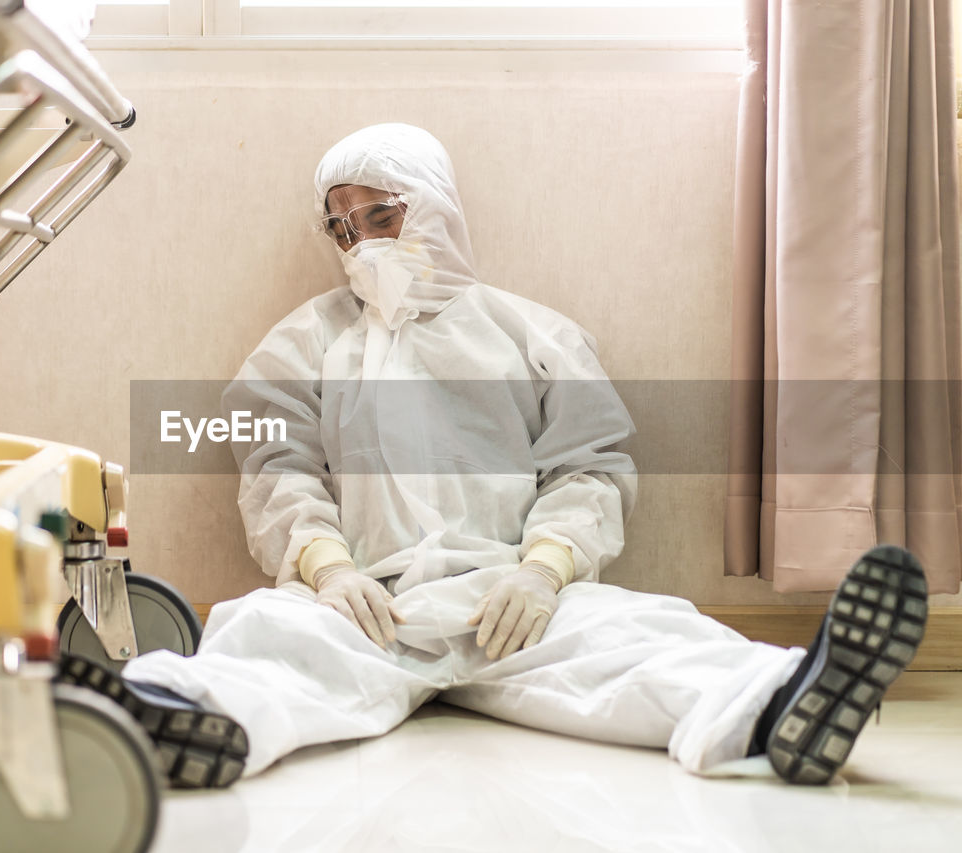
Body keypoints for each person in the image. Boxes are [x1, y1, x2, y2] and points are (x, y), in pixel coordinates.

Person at [57, 123, 929, 790]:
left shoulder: (528, 331)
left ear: (432, 204)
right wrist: (323, 568)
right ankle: (176, 716)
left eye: (381, 216)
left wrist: (546, 571)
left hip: (512, 604)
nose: (361, 244)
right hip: (370, 607)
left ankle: (789, 702)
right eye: (342, 228)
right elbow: (272, 463)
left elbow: (589, 464)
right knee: (265, 632)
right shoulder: (311, 341)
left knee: (642, 632)